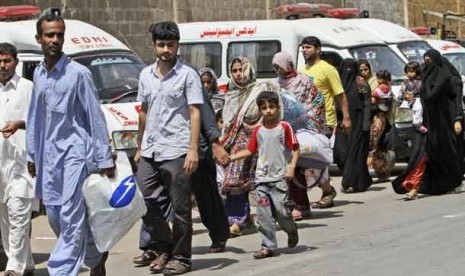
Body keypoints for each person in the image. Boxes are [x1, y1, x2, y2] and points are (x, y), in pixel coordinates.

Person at [26, 10, 115, 276]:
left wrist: (104, 158)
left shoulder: (79, 74)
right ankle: (95, 257)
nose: (55, 39)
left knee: (70, 217)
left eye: (59, 35)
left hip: (75, 156)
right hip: (48, 158)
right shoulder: (39, 74)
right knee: (55, 216)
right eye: (49, 34)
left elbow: (95, 116)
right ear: (39, 38)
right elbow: (34, 116)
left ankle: (62, 271)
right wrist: (32, 154)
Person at [134, 21, 203, 275]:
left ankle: (182, 258)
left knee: (181, 207)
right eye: (161, 45)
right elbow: (143, 112)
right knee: (141, 200)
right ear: (154, 45)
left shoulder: (188, 75)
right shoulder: (145, 75)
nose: (165, 50)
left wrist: (193, 149)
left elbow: (195, 112)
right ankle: (164, 247)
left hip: (177, 150)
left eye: (170, 45)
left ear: (177, 46)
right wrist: (139, 146)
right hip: (150, 150)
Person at [230, 91, 299, 259]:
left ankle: (291, 230)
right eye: (264, 108)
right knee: (263, 215)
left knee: (282, 213)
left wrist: (291, 168)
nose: (268, 111)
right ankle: (268, 246)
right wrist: (231, 158)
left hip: (279, 179)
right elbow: (250, 150)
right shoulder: (258, 131)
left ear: (277, 108)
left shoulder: (284, 127)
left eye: (271, 107)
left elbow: (296, 148)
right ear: (260, 111)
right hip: (261, 181)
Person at [221, 57, 278, 236]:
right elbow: (227, 122)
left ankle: (271, 215)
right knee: (234, 181)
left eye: (241, 70)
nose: (238, 74)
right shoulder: (230, 94)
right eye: (235, 70)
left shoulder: (261, 89)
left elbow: (272, 113)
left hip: (261, 140)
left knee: (264, 180)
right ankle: (237, 219)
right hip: (236, 143)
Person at [271, 51, 327, 220]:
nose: (277, 70)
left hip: (301, 130)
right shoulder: (275, 84)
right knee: (282, 170)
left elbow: (317, 101)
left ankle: (301, 205)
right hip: (282, 130)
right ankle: (286, 206)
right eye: (275, 67)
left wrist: (307, 119)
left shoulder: (303, 81)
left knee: (297, 169)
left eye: (279, 66)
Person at [299, 36, 352, 209]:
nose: (305, 50)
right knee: (305, 158)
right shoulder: (302, 70)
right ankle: (313, 192)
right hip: (305, 122)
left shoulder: (328, 69)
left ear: (318, 49)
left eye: (308, 47)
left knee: (317, 156)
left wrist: (346, 118)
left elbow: (340, 95)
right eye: (303, 48)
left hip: (325, 122)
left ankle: (327, 191)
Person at [0, 43, 35, 276]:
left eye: (7, 61)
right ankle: (27, 263)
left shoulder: (27, 88)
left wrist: (19, 124)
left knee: (18, 213)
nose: (3, 66)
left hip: (21, 164)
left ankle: (14, 268)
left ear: (16, 62)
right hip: (0, 165)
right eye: (0, 61)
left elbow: (38, 121)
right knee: (4, 217)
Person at [334, 58, 373, 193]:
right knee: (341, 153)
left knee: (355, 153)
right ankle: (360, 179)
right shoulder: (338, 83)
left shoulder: (361, 83)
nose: (348, 71)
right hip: (342, 123)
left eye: (351, 68)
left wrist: (366, 123)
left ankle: (349, 181)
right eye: (346, 68)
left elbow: (367, 102)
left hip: (358, 122)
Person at [368, 69, 395, 181]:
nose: (379, 81)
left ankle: (379, 168)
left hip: (379, 118)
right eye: (378, 78)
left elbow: (374, 95)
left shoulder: (384, 87)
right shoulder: (385, 87)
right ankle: (381, 169)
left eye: (381, 78)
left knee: (374, 142)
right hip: (378, 117)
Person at [397, 61, 427, 133]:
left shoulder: (422, 81)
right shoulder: (406, 82)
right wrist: (398, 103)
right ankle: (417, 124)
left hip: (421, 100)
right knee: (418, 107)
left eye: (411, 71)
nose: (409, 74)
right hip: (412, 101)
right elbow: (401, 93)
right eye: (407, 72)